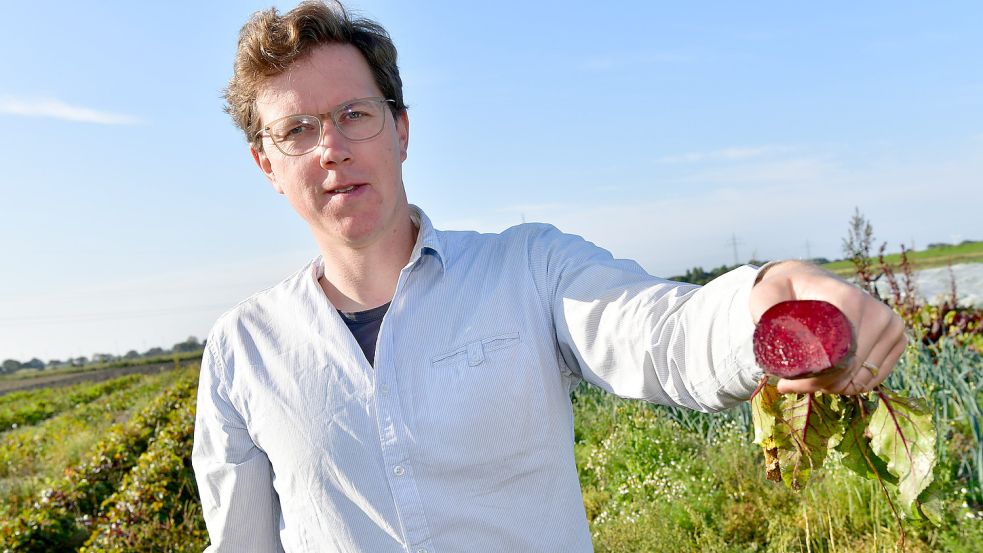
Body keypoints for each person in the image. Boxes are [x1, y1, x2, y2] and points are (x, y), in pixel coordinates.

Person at [191, 2, 907, 552]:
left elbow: (655, 332)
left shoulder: (527, 268)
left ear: (400, 129)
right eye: (296, 131)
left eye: (354, 114)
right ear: (266, 165)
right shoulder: (242, 350)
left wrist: (767, 297)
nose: (332, 148)